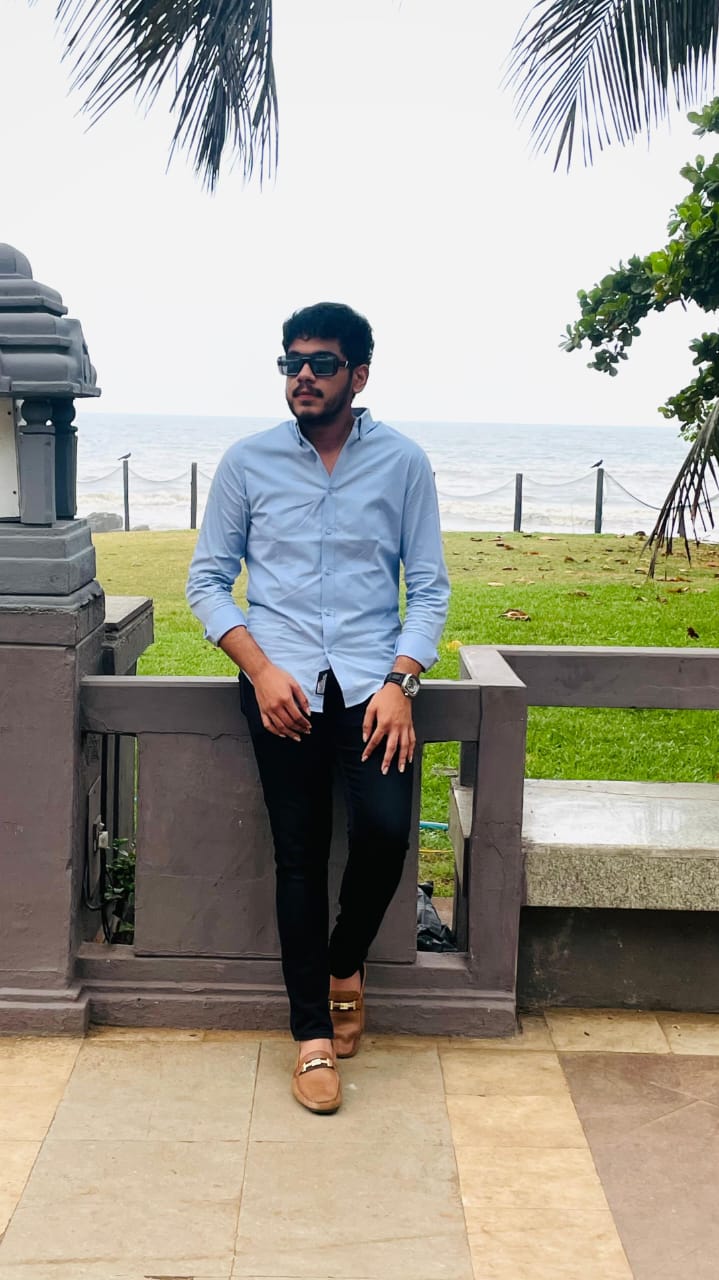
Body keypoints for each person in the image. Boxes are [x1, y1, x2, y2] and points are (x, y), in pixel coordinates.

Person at [186, 302, 449, 1113]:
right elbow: (206, 581)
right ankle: (310, 1037)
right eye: (291, 362)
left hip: (373, 688)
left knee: (385, 833)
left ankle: (343, 962)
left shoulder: (402, 463)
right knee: (298, 857)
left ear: (357, 375)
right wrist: (261, 671)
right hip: (283, 688)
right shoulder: (248, 462)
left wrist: (402, 682)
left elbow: (428, 588)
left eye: (321, 363)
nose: (302, 375)